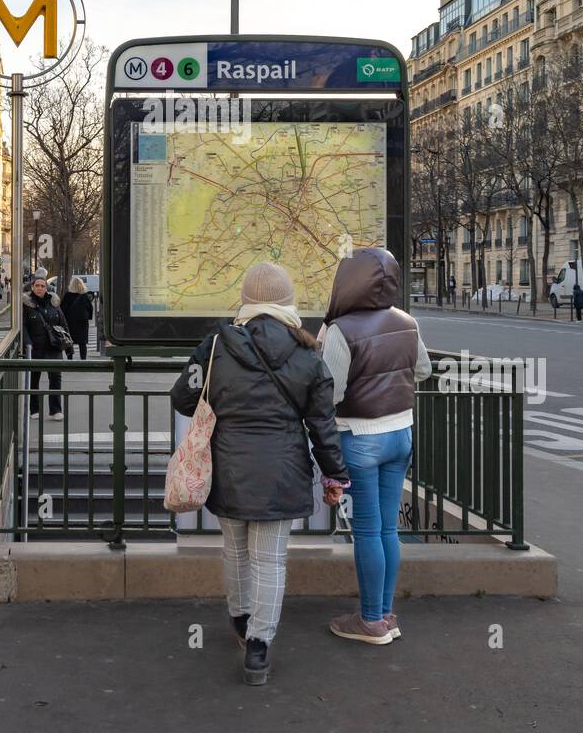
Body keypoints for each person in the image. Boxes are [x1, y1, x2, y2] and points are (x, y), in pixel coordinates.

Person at [171, 262, 347, 687]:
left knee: (234, 550)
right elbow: (321, 424)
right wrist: (334, 475)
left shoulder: (216, 345)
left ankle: (239, 618)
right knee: (270, 560)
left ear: (246, 300)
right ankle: (258, 649)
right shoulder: (307, 352)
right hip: (282, 470)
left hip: (228, 465)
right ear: (287, 301)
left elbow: (182, 398)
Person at [319, 247, 432, 646]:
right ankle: (384, 615)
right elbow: (423, 370)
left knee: (366, 532)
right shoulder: (407, 321)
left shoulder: (341, 330)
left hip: (360, 436)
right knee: (388, 529)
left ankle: (369, 622)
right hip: (401, 434)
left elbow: (329, 393)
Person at [23, 274, 71, 420]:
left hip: (54, 347)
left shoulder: (54, 303)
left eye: (42, 286)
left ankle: (55, 410)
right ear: (32, 287)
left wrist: (69, 347)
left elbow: (63, 324)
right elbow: (23, 326)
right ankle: (34, 409)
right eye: (37, 286)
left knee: (55, 378)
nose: (39, 288)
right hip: (35, 348)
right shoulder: (26, 304)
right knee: (34, 380)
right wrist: (27, 343)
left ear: (46, 288)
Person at [61, 278, 93, 360]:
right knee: (82, 343)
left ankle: (70, 360)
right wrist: (88, 317)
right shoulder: (84, 296)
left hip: (69, 322)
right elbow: (90, 309)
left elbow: (62, 309)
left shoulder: (67, 296)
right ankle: (83, 360)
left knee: (69, 342)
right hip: (82, 323)